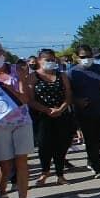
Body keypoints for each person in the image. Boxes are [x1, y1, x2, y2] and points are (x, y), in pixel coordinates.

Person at [0, 40, 36, 198]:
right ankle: (1, 189)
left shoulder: (17, 70)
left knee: (22, 160)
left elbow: (24, 99)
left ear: (2, 52)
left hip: (21, 121)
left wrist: (7, 89)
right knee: (6, 164)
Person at [27, 48, 74, 186]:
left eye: (53, 60)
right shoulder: (33, 77)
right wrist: (47, 110)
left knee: (62, 144)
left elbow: (68, 95)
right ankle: (45, 172)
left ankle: (60, 174)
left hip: (62, 114)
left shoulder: (62, 76)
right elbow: (30, 99)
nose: (50, 62)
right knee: (44, 145)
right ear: (39, 61)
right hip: (42, 116)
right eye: (47, 60)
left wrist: (61, 108)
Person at [68, 44, 100, 178]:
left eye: (89, 56)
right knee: (90, 138)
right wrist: (76, 101)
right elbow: (67, 93)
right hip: (83, 111)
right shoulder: (73, 72)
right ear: (77, 57)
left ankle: (92, 159)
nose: (87, 59)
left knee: (99, 138)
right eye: (83, 57)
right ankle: (97, 167)